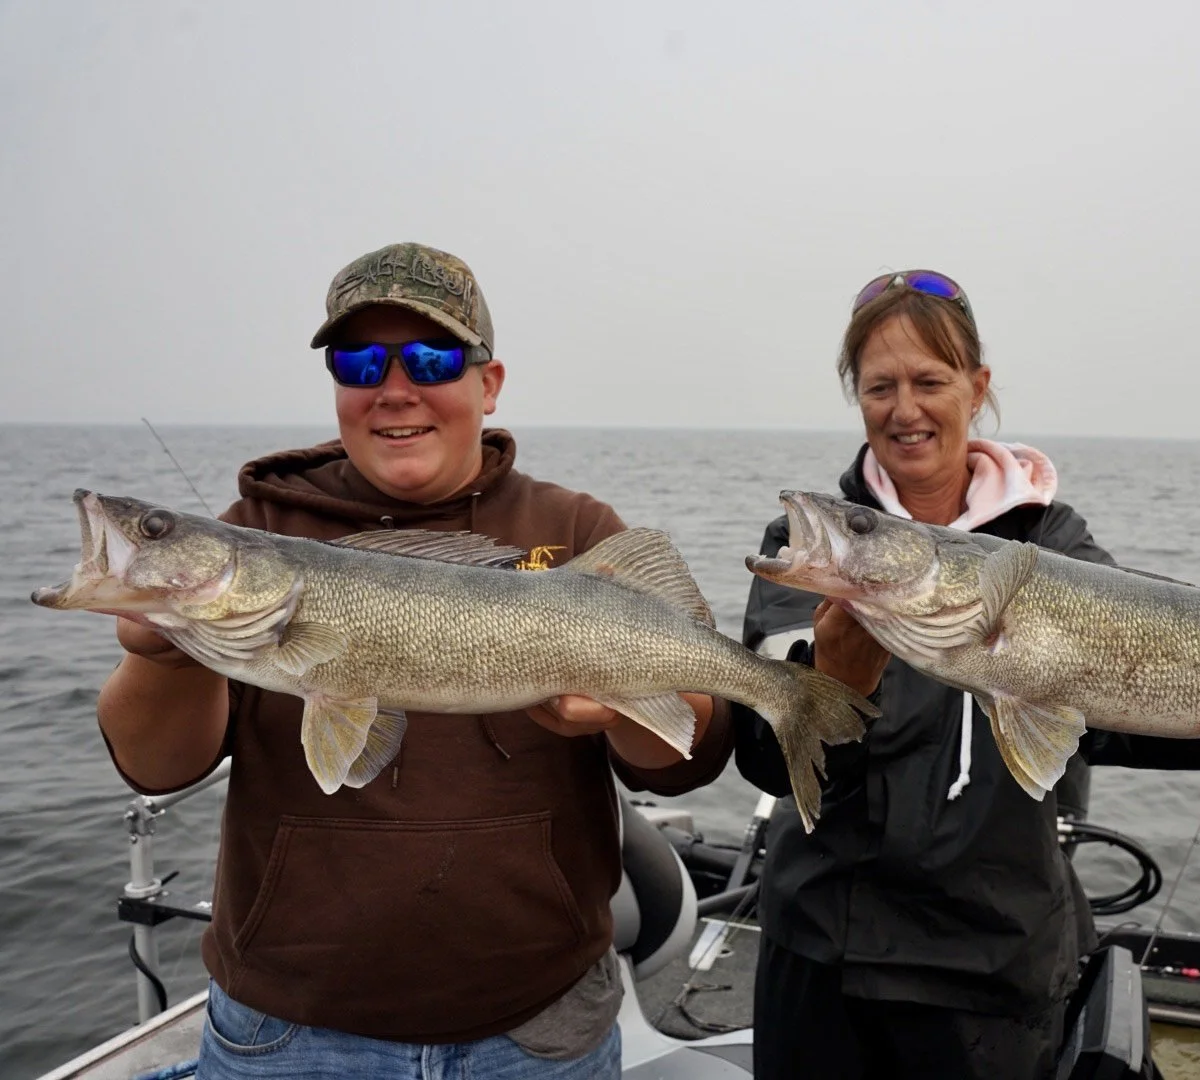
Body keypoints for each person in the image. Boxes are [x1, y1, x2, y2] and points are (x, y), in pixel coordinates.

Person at [96, 242, 734, 1079]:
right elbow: (155, 766)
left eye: (431, 357)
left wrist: (630, 708)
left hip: (540, 1031)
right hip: (290, 1032)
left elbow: (679, 763)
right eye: (360, 361)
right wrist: (165, 651)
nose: (394, 388)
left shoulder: (577, 531)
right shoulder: (257, 530)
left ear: (488, 382)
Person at [733, 269, 1200, 1080]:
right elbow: (767, 758)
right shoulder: (806, 550)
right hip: (823, 964)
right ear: (857, 397)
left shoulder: (1056, 542)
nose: (904, 409)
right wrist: (834, 681)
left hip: (995, 969)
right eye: (879, 386)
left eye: (929, 380)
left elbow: (1120, 709)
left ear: (977, 389)